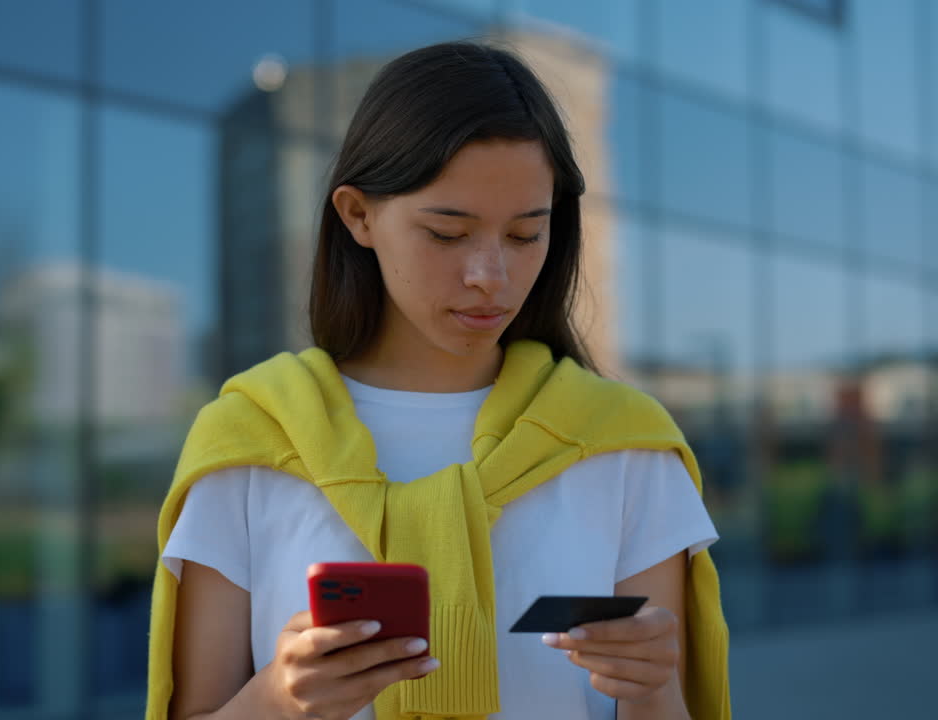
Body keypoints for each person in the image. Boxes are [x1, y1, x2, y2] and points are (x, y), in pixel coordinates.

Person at [146, 40, 730, 720]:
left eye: (523, 236)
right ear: (359, 216)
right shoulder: (251, 437)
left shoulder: (623, 444)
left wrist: (654, 686)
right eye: (448, 234)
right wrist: (277, 701)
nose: (490, 276)